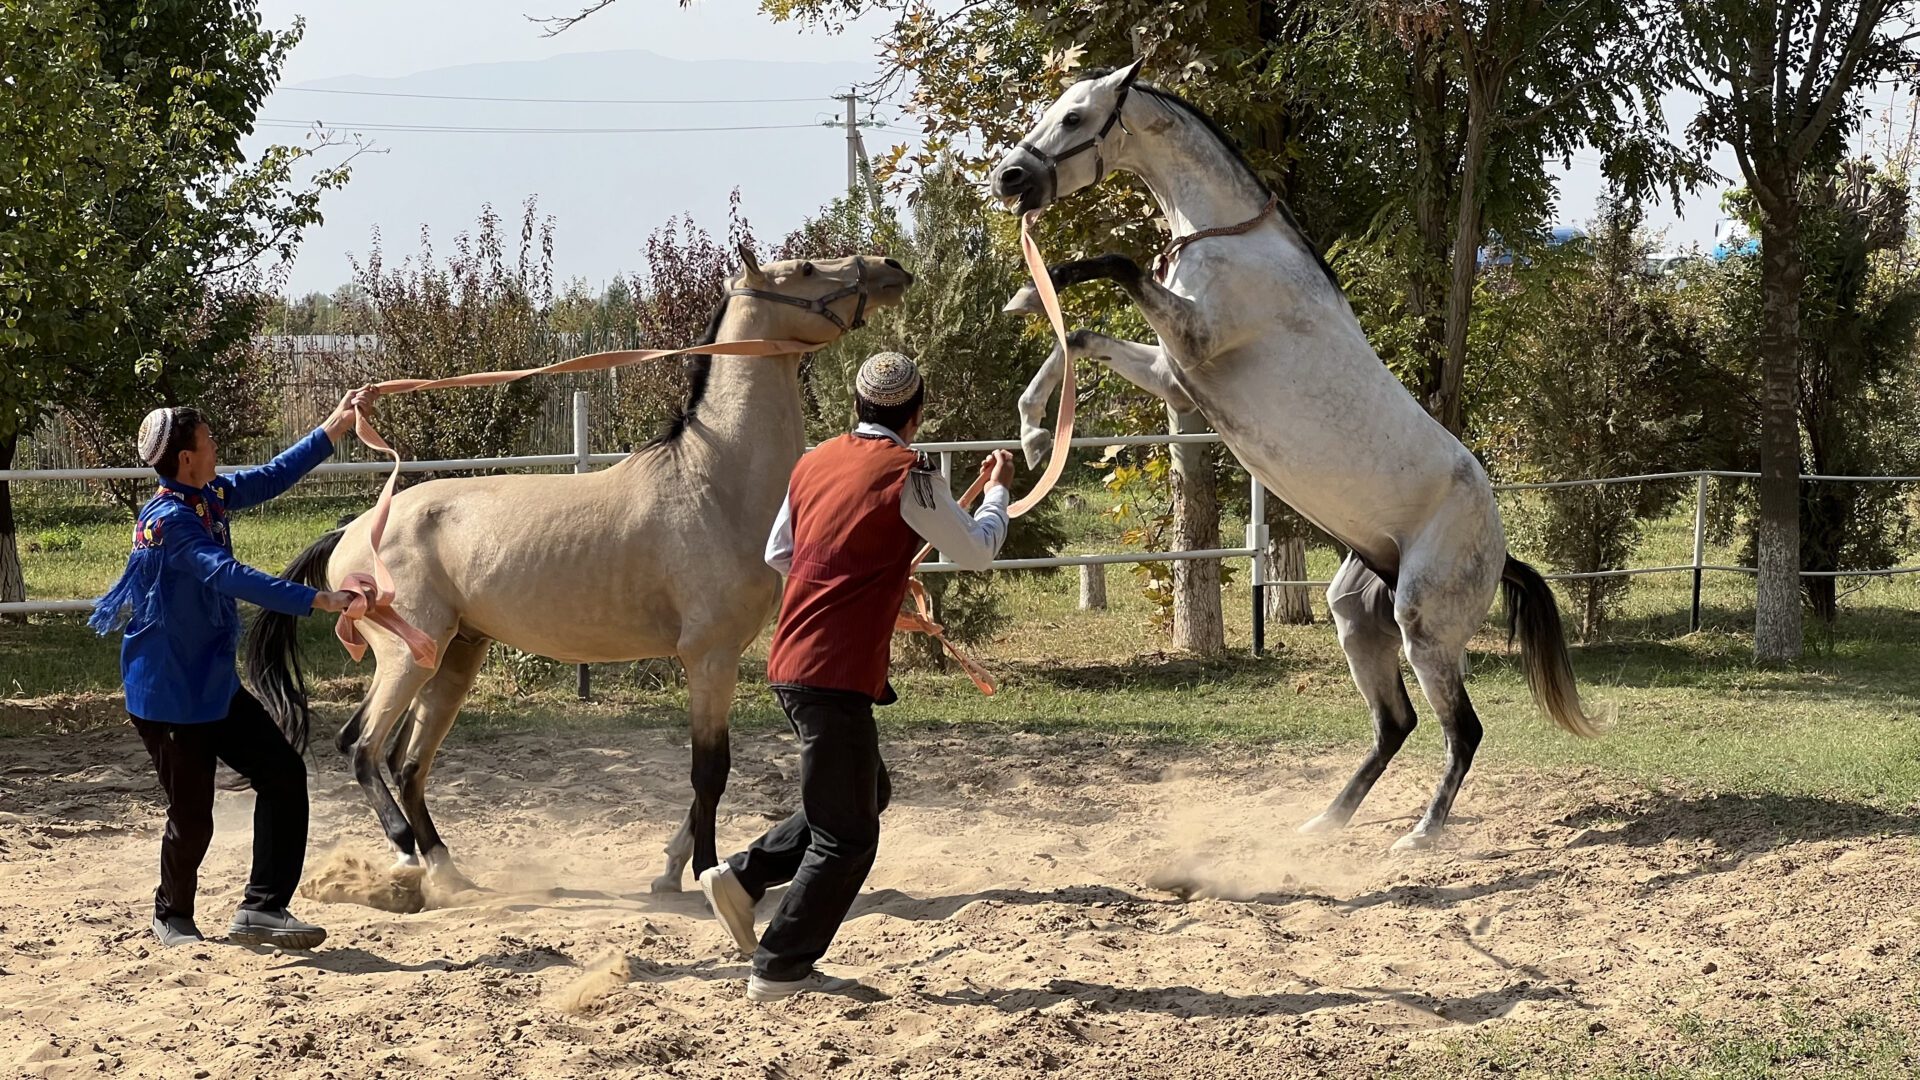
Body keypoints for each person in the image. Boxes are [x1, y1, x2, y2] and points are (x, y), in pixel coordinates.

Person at [698, 352, 1015, 1002]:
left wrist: (851, 581)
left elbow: (780, 553)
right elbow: (979, 551)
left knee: (864, 792)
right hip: (834, 670)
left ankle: (744, 877)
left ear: (858, 407)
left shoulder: (814, 462)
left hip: (794, 659)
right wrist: (999, 491)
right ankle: (780, 966)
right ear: (915, 414)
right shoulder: (911, 473)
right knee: (848, 836)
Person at [90, 390, 377, 950]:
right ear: (186, 458)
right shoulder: (171, 521)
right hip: (169, 694)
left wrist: (335, 427)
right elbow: (226, 574)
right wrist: (315, 599)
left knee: (283, 775)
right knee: (194, 817)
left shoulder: (206, 496)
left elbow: (271, 477)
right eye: (209, 441)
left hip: (213, 685)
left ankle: (262, 907)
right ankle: (172, 915)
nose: (216, 446)